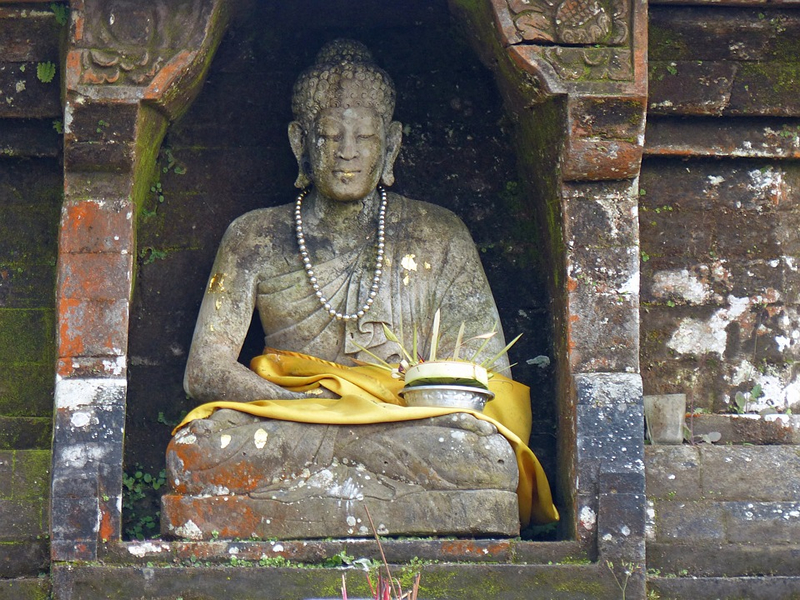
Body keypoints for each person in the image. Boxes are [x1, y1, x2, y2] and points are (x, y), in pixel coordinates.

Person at [161, 40, 557, 540]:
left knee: (483, 456)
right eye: (329, 135)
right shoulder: (254, 236)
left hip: (403, 424)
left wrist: (397, 405)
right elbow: (205, 369)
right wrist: (299, 408)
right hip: (290, 420)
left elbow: (487, 377)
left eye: (365, 137)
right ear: (299, 143)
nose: (347, 150)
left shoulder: (438, 233)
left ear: (391, 145)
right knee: (200, 449)